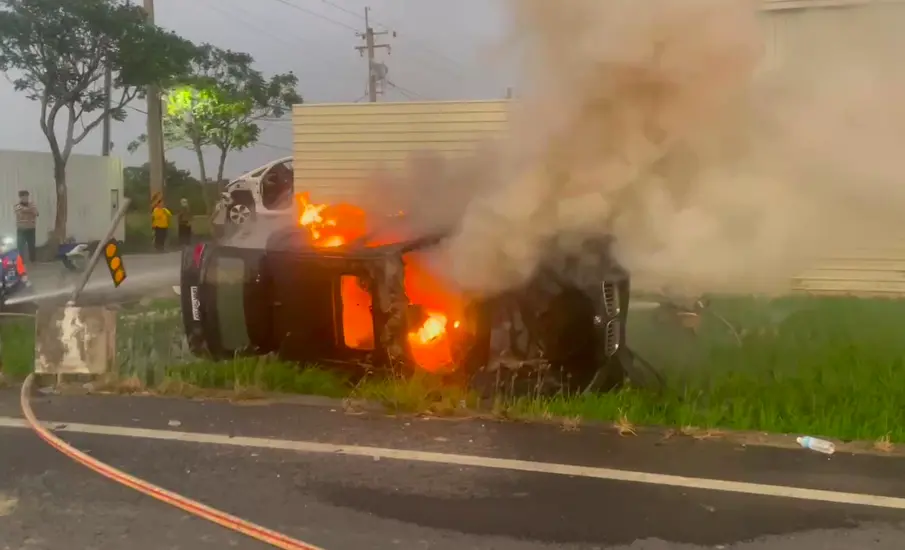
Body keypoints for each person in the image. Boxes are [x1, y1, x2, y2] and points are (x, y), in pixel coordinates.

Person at [14, 190, 37, 262]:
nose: (25, 198)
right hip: (21, 230)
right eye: (23, 197)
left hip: (31, 229)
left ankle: (33, 261)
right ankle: (21, 262)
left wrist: (26, 210)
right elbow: (20, 213)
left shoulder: (32, 205)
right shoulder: (17, 206)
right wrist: (30, 211)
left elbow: (36, 213)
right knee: (20, 247)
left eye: (26, 196)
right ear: (20, 197)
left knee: (32, 246)